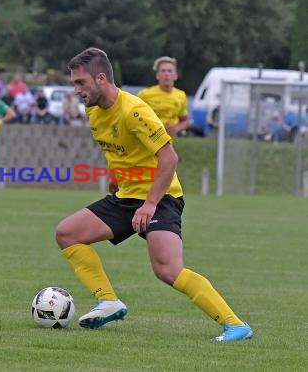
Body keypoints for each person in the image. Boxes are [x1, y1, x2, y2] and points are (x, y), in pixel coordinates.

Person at [58, 47, 253, 342]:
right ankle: (109, 301)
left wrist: (150, 204)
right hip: (127, 195)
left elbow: (169, 158)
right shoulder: (93, 109)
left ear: (101, 78)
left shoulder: (134, 110)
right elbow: (117, 148)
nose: (77, 90)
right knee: (67, 233)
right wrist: (116, 178)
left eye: (81, 83)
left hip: (160, 197)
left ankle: (235, 325)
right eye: (74, 84)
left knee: (168, 270)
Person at [138, 56, 190, 138]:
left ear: (175, 76)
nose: (166, 74)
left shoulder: (181, 95)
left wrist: (176, 129)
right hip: (148, 140)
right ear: (157, 75)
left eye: (170, 71)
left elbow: (185, 120)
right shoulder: (145, 94)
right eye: (163, 71)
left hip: (168, 141)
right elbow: (134, 118)